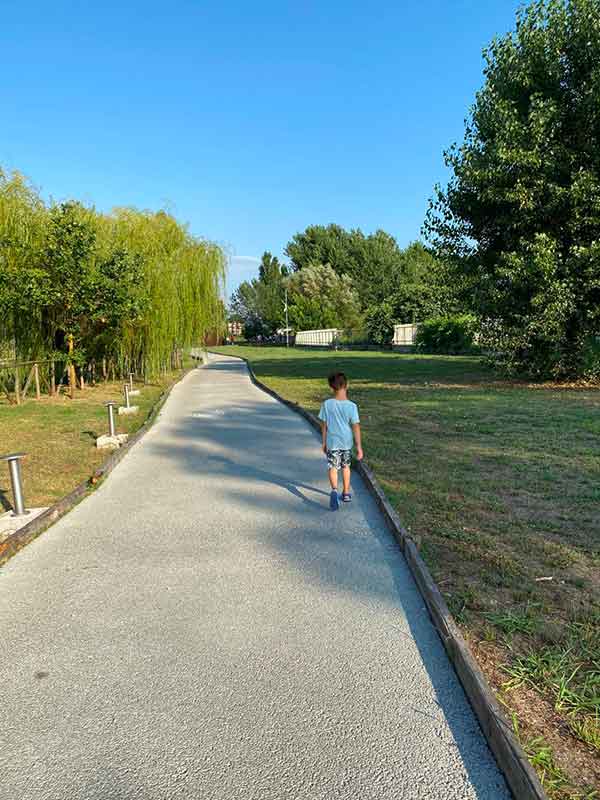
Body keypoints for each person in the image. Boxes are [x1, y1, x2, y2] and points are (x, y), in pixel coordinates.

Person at [318, 372, 363, 511]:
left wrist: (324, 442)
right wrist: (359, 447)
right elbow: (356, 427)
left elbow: (324, 426)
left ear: (331, 387)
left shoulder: (327, 404)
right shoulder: (352, 406)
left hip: (332, 442)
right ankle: (346, 493)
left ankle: (334, 490)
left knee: (333, 467)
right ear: (346, 385)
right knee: (346, 467)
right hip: (346, 442)